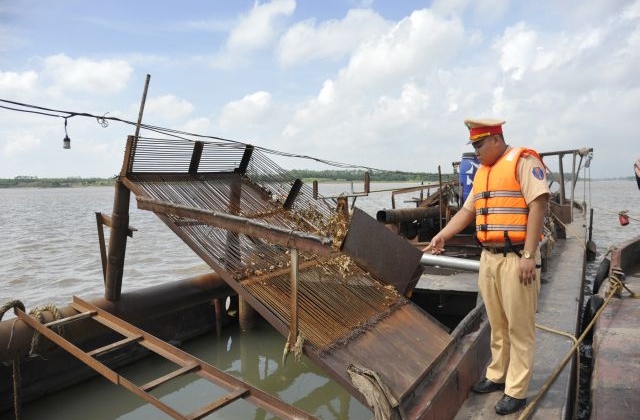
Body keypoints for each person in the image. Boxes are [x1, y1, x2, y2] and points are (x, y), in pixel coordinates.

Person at [423, 118, 550, 415]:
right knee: (497, 321)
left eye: (479, 145)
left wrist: (529, 255)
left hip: (517, 257)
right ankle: (497, 374)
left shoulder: (523, 161)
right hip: (489, 258)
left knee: (519, 326)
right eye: (474, 146)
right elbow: (468, 211)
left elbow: (539, 205)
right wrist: (443, 235)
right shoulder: (483, 172)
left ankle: (516, 390)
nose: (476, 151)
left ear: (495, 139)